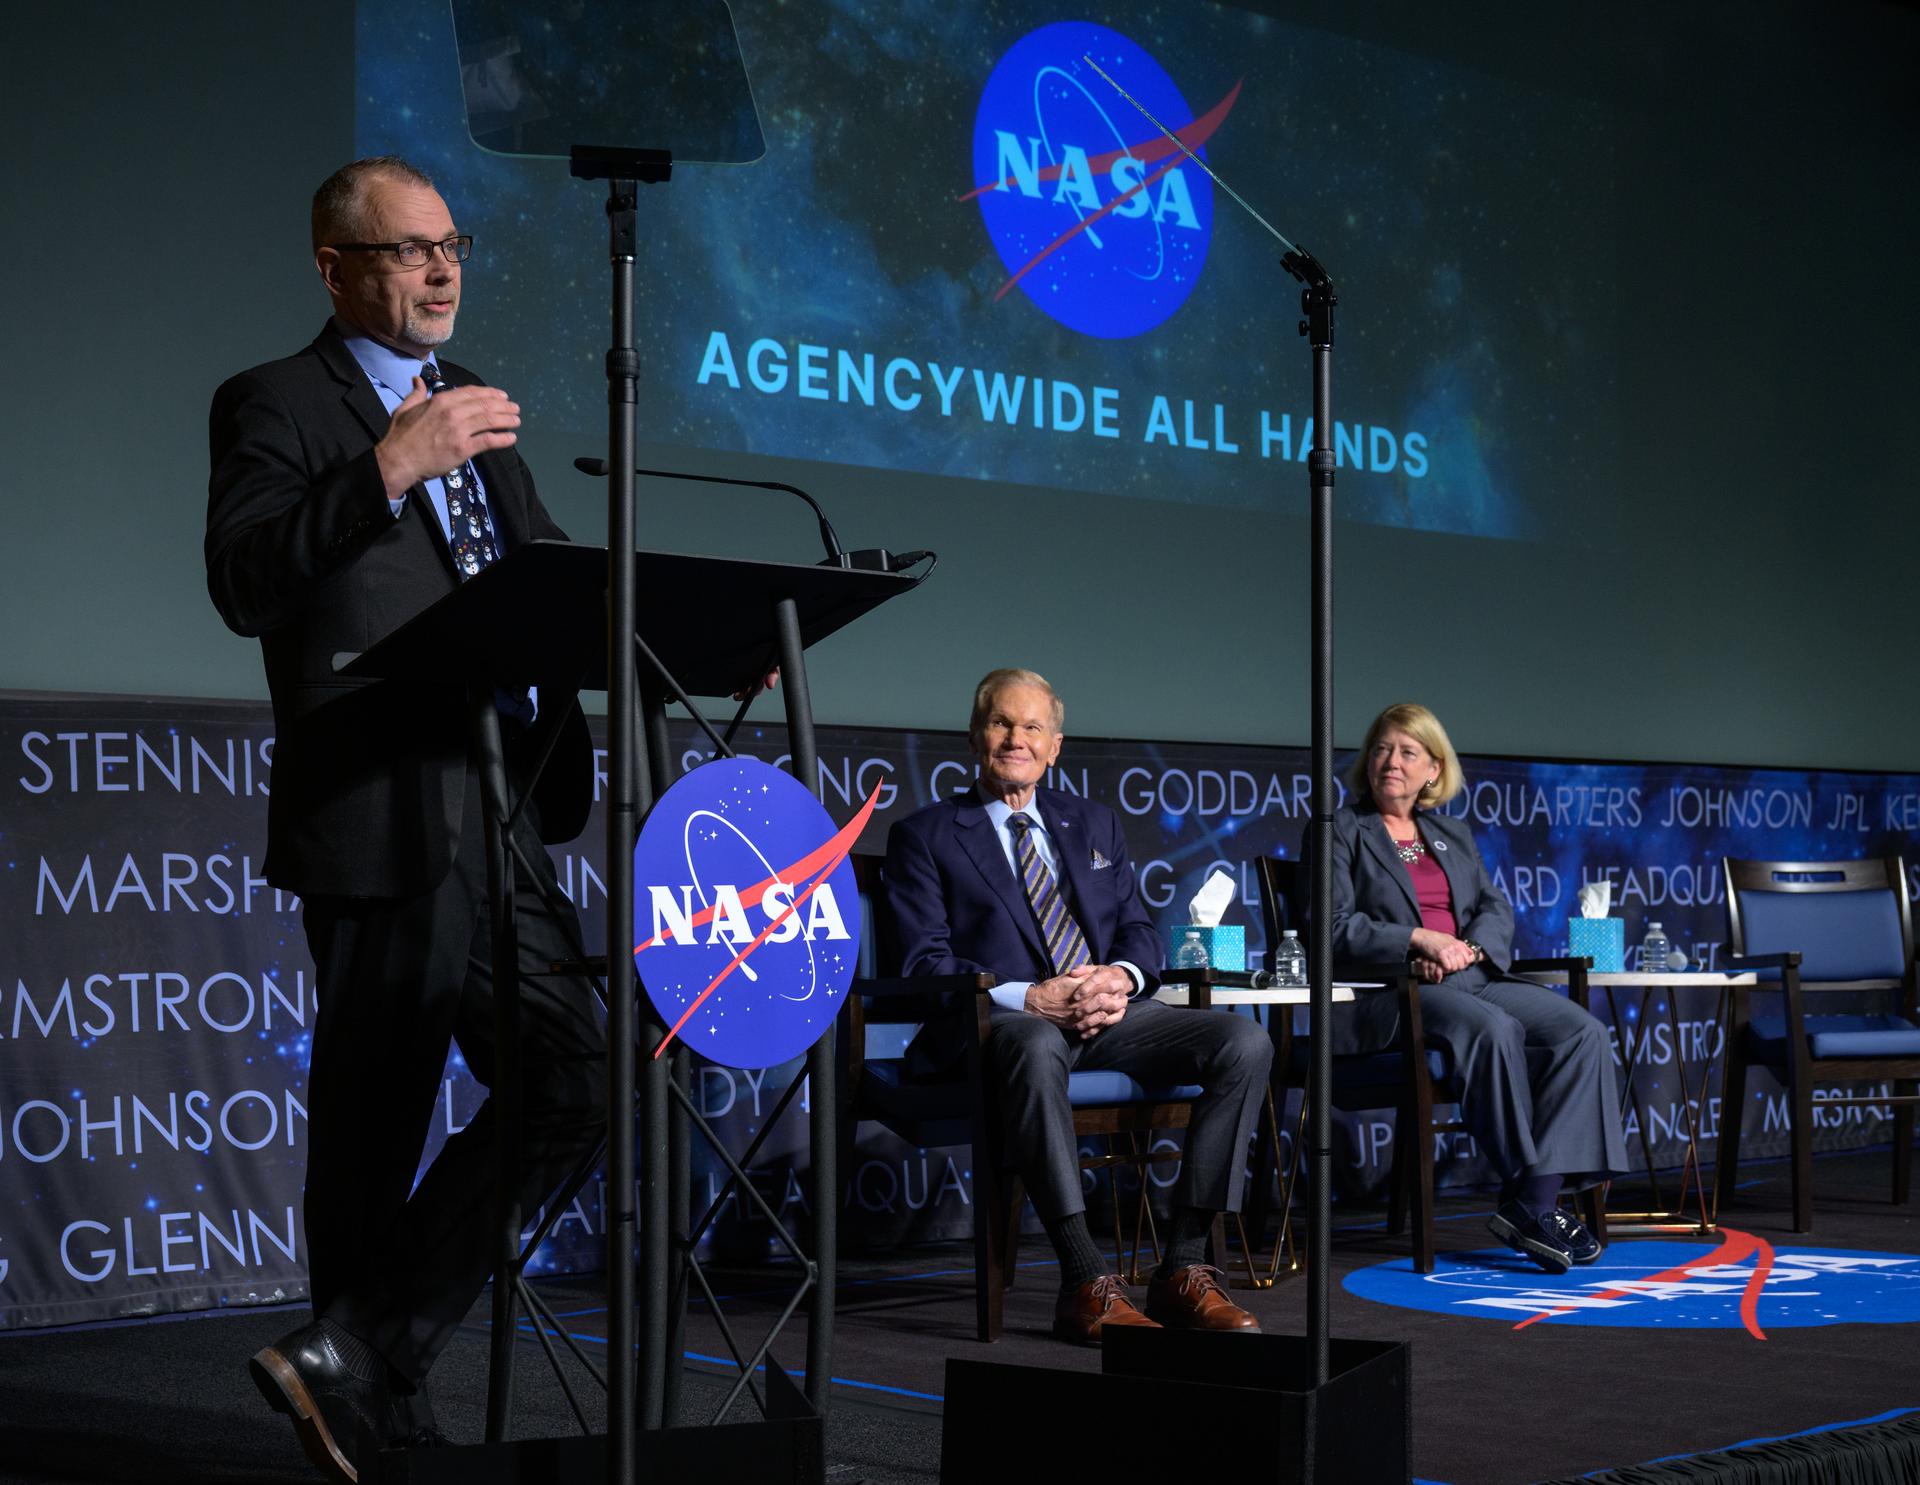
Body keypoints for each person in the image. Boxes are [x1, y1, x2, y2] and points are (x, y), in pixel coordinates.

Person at [205, 156, 606, 1482]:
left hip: (498, 799)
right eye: (407, 249)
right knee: (373, 1131)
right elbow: (245, 579)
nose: (440, 269)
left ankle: (358, 1355)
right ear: (335, 269)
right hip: (380, 803)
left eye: (452, 245)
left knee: (581, 1079)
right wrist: (387, 466)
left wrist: (696, 642)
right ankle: (375, 1405)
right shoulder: (275, 400)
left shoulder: (473, 402)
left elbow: (544, 580)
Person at [885, 668, 1273, 1344]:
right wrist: (1032, 997)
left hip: (1106, 1017)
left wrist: (1119, 977)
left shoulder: (1092, 821)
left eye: (1032, 726)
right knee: (1035, 1042)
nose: (1016, 738)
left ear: (1054, 746)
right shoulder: (926, 833)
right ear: (975, 736)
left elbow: (1138, 930)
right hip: (999, 1024)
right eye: (1001, 723)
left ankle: (1184, 1266)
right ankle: (1084, 1279)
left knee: (1244, 1043)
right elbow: (922, 963)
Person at [1322, 702, 1626, 1272]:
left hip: (1470, 976)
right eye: (1382, 749)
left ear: (1433, 769)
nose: (1391, 762)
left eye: (1408, 752)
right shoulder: (1339, 831)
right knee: (1493, 1027)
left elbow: (1493, 906)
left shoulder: (1450, 832)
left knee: (1581, 1032)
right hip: (1388, 995)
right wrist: (1419, 941)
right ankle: (1529, 1192)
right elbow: (1333, 928)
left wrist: (1469, 949)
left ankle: (1533, 1201)